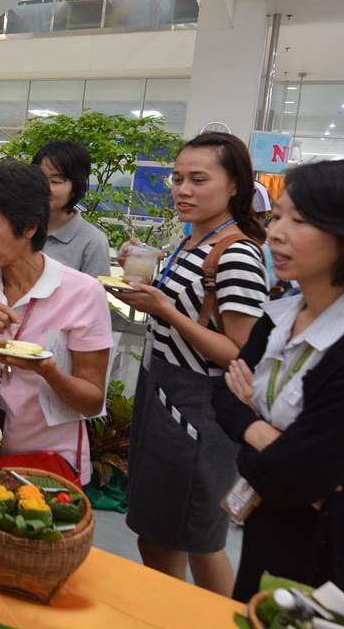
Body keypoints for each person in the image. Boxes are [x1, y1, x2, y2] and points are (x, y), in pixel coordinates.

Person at [214, 160, 344, 605]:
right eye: (277, 216)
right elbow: (222, 396)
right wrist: (266, 436)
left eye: (300, 220)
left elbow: (292, 475)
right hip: (268, 527)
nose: (275, 233)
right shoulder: (280, 317)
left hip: (334, 555)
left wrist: (255, 432)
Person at [111, 132, 268, 596]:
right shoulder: (194, 240)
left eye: (199, 180)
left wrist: (165, 310)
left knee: (183, 538)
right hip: (162, 393)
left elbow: (242, 355)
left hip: (199, 409)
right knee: (176, 535)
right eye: (178, 179)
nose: (183, 190)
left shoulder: (237, 253)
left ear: (235, 185)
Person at [0, 162, 112, 485]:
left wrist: (47, 369)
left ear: (30, 226)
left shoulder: (82, 293)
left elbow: (92, 401)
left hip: (48, 463)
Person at [32, 141, 111, 277]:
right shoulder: (18, 227)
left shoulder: (92, 242)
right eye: (39, 178)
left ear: (75, 188)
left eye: (55, 182)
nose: (44, 187)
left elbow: (96, 290)